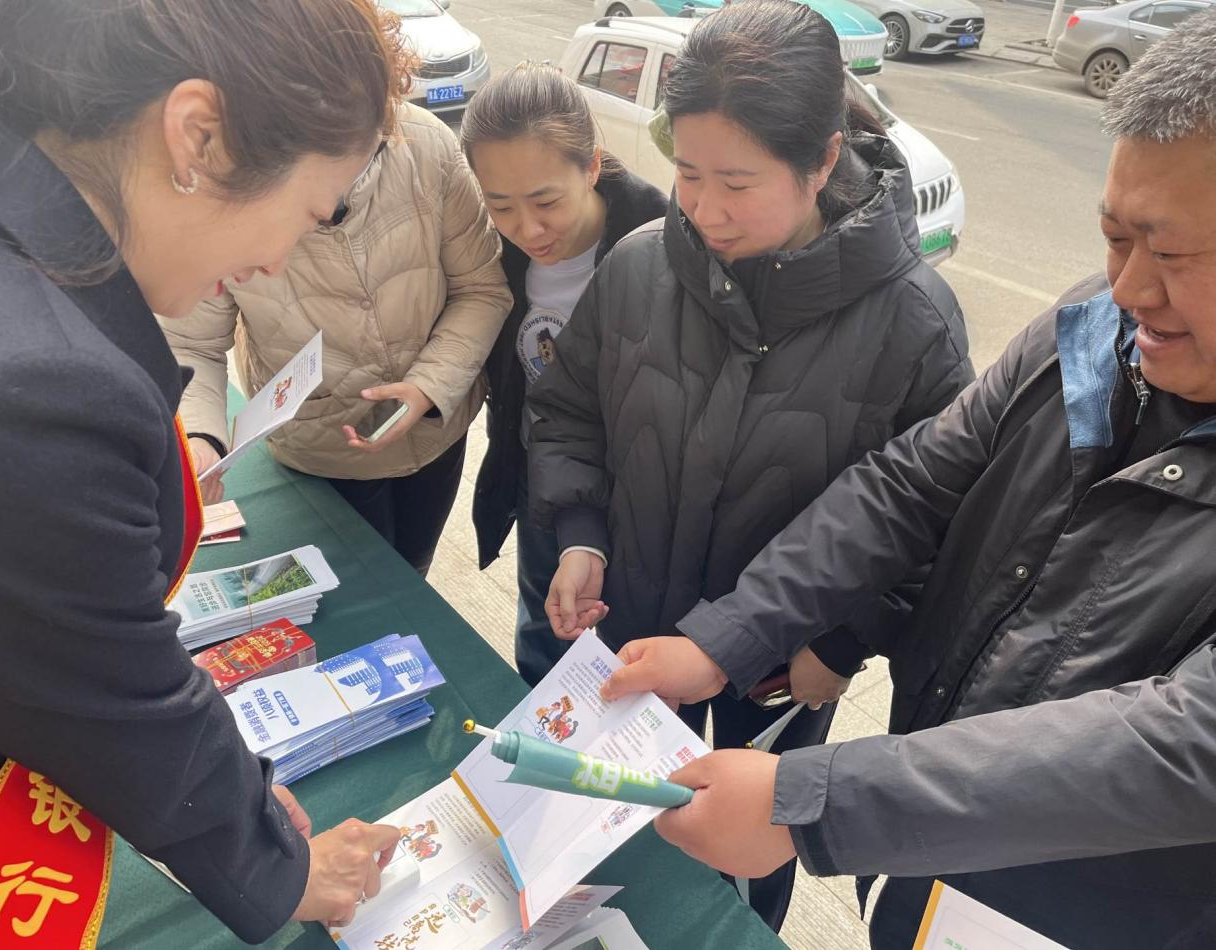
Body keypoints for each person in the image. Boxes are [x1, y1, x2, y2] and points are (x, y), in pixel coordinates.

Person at [602, 12, 1216, 948]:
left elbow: (1183, 743)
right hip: (936, 849)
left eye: (1168, 254)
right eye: (1111, 236)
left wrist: (819, 805)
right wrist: (727, 636)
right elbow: (915, 481)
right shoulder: (1093, 327)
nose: (1129, 288)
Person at [0, 0, 412, 941]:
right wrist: (282, 867)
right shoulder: (34, 385)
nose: (277, 263)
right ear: (198, 134)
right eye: (307, 214)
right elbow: (118, 698)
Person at [525, 1, 972, 931]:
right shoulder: (639, 268)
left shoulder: (913, 323)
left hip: (781, 669)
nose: (704, 208)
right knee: (611, 844)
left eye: (737, 181)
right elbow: (567, 414)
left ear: (822, 160)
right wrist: (579, 536)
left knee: (741, 866)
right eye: (687, 173)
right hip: (634, 632)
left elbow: (940, 520)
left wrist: (839, 646)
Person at [159, 98, 511, 577]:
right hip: (317, 444)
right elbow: (189, 344)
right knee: (355, 589)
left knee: (412, 575)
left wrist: (430, 385)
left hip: (435, 428)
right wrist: (201, 437)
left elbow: (482, 288)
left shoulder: (426, 144)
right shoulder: (223, 190)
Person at [460, 65, 668, 686]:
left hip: (639, 496)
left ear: (593, 164)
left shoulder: (660, 246)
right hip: (542, 481)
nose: (528, 230)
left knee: (630, 652)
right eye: (501, 205)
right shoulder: (492, 255)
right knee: (545, 623)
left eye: (546, 202)